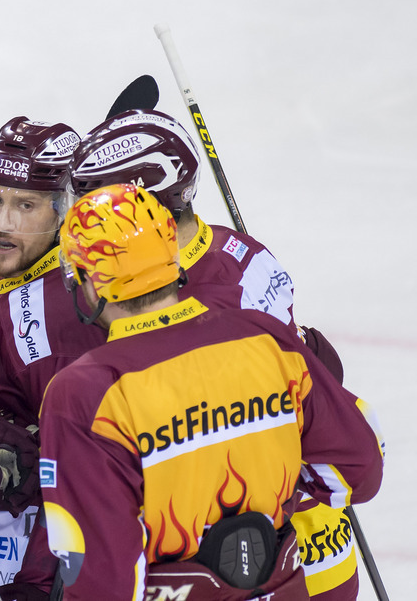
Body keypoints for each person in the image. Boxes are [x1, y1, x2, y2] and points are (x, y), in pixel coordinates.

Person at [39, 183, 384, 600]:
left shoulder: (85, 394)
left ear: (88, 284)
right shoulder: (265, 338)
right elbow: (359, 472)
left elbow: (101, 577)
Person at [0, 117, 107, 598]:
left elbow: (88, 472)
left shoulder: (53, 317)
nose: (3, 223)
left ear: (63, 212)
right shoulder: (30, 272)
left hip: (40, 562)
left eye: (25, 205)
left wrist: (39, 584)